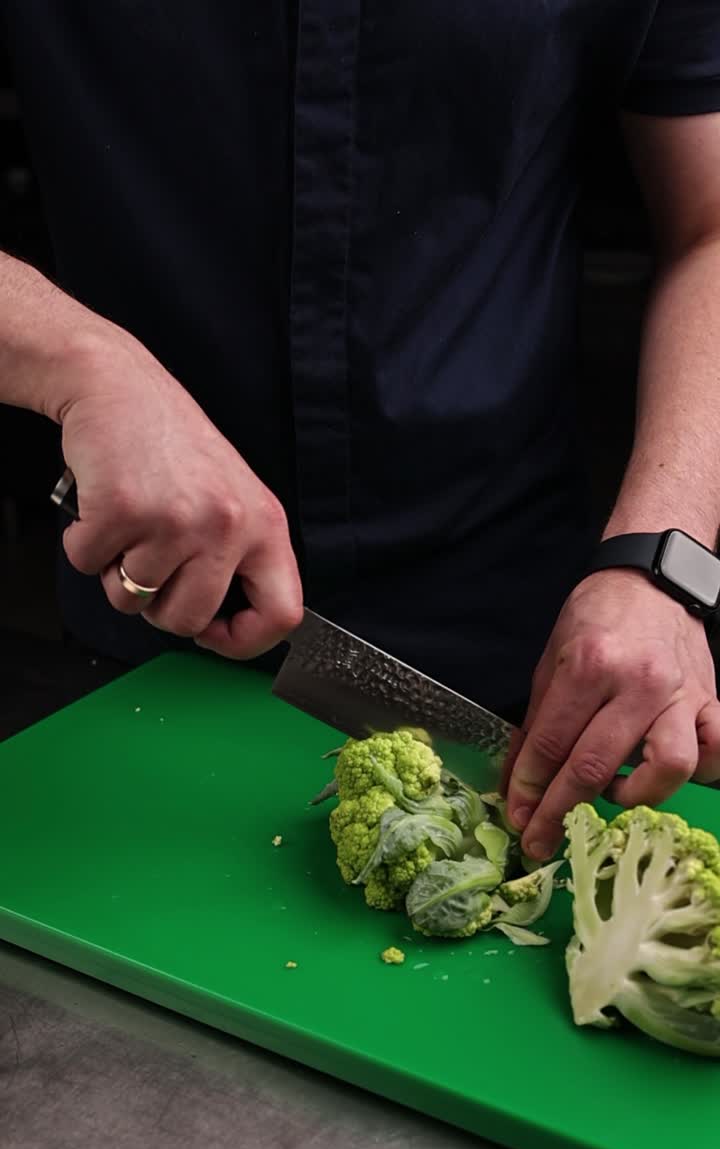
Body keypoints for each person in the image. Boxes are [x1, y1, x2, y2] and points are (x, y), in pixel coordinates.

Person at [2, 2, 720, 861]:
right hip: (149, 618)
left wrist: (663, 560)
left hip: (530, 631)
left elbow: (710, 222)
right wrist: (78, 363)